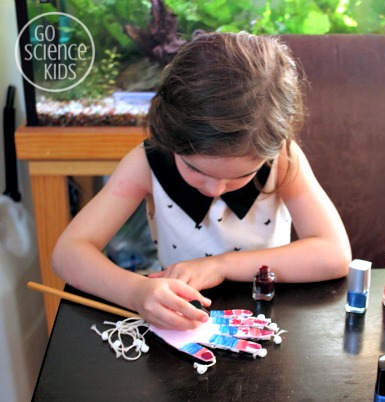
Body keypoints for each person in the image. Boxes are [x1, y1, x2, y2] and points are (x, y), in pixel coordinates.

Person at [51, 32, 351, 331]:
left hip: (268, 318)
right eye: (196, 169)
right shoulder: (145, 163)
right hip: (180, 321)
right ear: (169, 134)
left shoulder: (283, 158)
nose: (215, 189)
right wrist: (134, 291)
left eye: (241, 176)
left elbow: (334, 254)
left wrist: (220, 265)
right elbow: (68, 253)